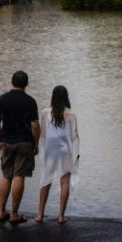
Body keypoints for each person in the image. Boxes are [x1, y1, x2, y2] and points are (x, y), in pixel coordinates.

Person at [0, 70, 40, 224]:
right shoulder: (30, 101)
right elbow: (34, 126)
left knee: (6, 175)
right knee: (19, 176)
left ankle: (1, 212)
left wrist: (0, 140)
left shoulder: (1, 99)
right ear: (26, 84)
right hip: (24, 142)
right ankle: (14, 214)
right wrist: (35, 143)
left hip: (7, 142)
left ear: (12, 82)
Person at [35, 85, 80, 225]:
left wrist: (41, 149)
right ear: (66, 97)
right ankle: (61, 216)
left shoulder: (45, 112)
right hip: (64, 149)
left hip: (50, 148)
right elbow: (75, 136)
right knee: (65, 181)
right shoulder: (71, 114)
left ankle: (40, 215)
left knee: (46, 179)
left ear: (53, 97)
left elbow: (43, 134)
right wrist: (76, 154)